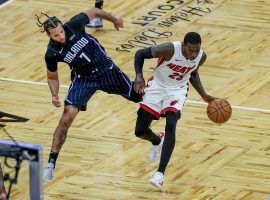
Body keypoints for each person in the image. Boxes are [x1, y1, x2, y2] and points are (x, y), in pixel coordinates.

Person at [37, 7, 142, 182]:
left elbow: (94, 11)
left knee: (138, 96)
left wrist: (114, 19)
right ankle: (50, 164)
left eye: (61, 32)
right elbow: (52, 76)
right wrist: (54, 94)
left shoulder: (75, 24)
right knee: (66, 119)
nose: (61, 36)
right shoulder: (52, 53)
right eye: (56, 35)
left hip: (107, 70)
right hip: (84, 79)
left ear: (63, 27)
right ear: (49, 36)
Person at [133, 32, 217, 189]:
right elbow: (140, 54)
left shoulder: (201, 57)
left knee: (171, 124)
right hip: (157, 85)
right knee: (139, 131)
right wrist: (139, 76)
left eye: (196, 50)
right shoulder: (169, 49)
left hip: (177, 90)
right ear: (184, 45)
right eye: (191, 50)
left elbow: (192, 73)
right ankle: (157, 140)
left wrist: (203, 95)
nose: (193, 54)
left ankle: (159, 174)